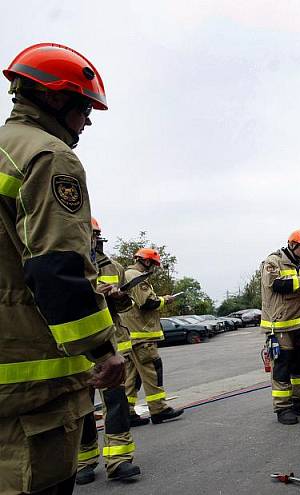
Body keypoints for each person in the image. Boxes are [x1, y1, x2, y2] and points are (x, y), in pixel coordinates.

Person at [0, 43, 125, 494]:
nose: (87, 120)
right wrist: (102, 350)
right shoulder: (48, 156)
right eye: (84, 107)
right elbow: (56, 267)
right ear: (55, 98)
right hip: (32, 386)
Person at [76, 218, 141, 484]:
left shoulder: (112, 266)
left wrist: (119, 297)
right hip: (76, 346)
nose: (90, 239)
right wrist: (95, 292)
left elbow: (128, 306)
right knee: (81, 407)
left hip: (109, 343)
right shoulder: (64, 261)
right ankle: (83, 461)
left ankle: (119, 460)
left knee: (117, 402)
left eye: (93, 234)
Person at [121, 248, 184, 425]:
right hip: (143, 337)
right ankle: (159, 409)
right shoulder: (136, 277)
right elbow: (147, 303)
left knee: (131, 377)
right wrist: (165, 300)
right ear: (147, 262)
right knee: (152, 373)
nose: (154, 269)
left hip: (130, 337)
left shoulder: (125, 275)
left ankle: (127, 413)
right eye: (154, 265)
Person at [261, 228, 300, 425]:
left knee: (298, 364)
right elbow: (275, 285)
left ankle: (298, 401)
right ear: (292, 244)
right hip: (280, 325)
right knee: (282, 366)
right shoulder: (273, 261)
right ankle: (282, 407)